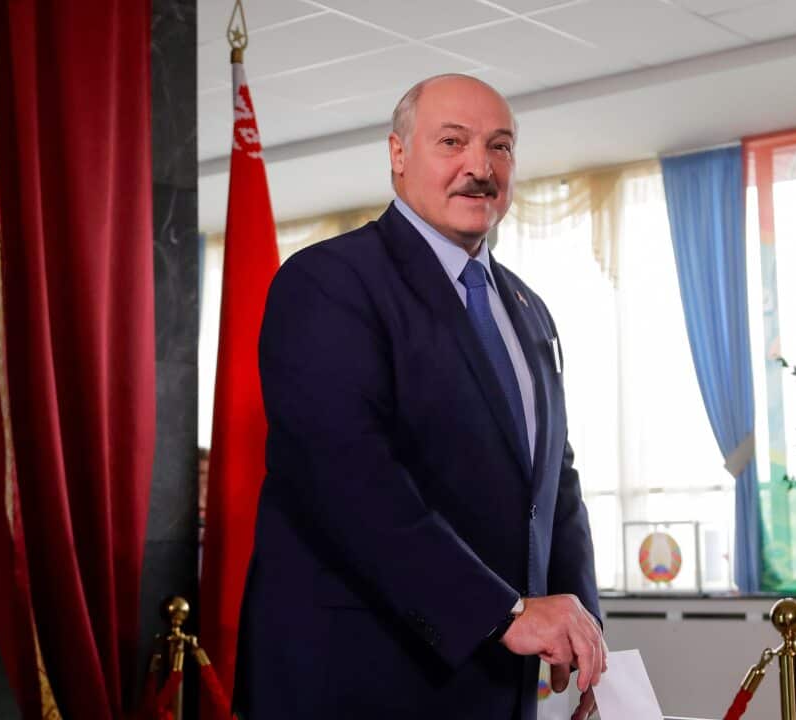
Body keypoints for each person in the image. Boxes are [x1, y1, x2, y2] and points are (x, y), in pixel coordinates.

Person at [233, 74, 606, 719]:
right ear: (398, 155)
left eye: (500, 147)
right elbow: (349, 482)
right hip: (357, 681)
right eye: (452, 142)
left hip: (495, 683)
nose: (479, 167)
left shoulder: (529, 310)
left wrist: (583, 632)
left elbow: (554, 486)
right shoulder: (328, 283)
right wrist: (506, 612)